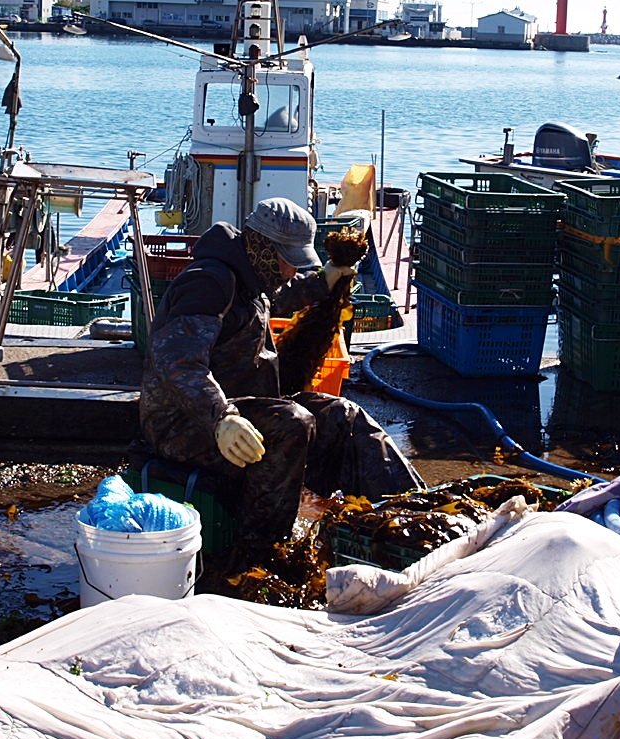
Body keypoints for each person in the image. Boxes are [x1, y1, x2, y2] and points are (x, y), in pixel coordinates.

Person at [136, 197, 423, 574]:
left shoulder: (250, 279)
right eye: (288, 260)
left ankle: (411, 514)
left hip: (235, 409)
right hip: (182, 423)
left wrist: (325, 280)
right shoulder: (208, 282)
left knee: (344, 416)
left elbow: (279, 298)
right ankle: (260, 555)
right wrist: (221, 417)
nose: (291, 270)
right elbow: (177, 362)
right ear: (262, 247)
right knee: (292, 423)